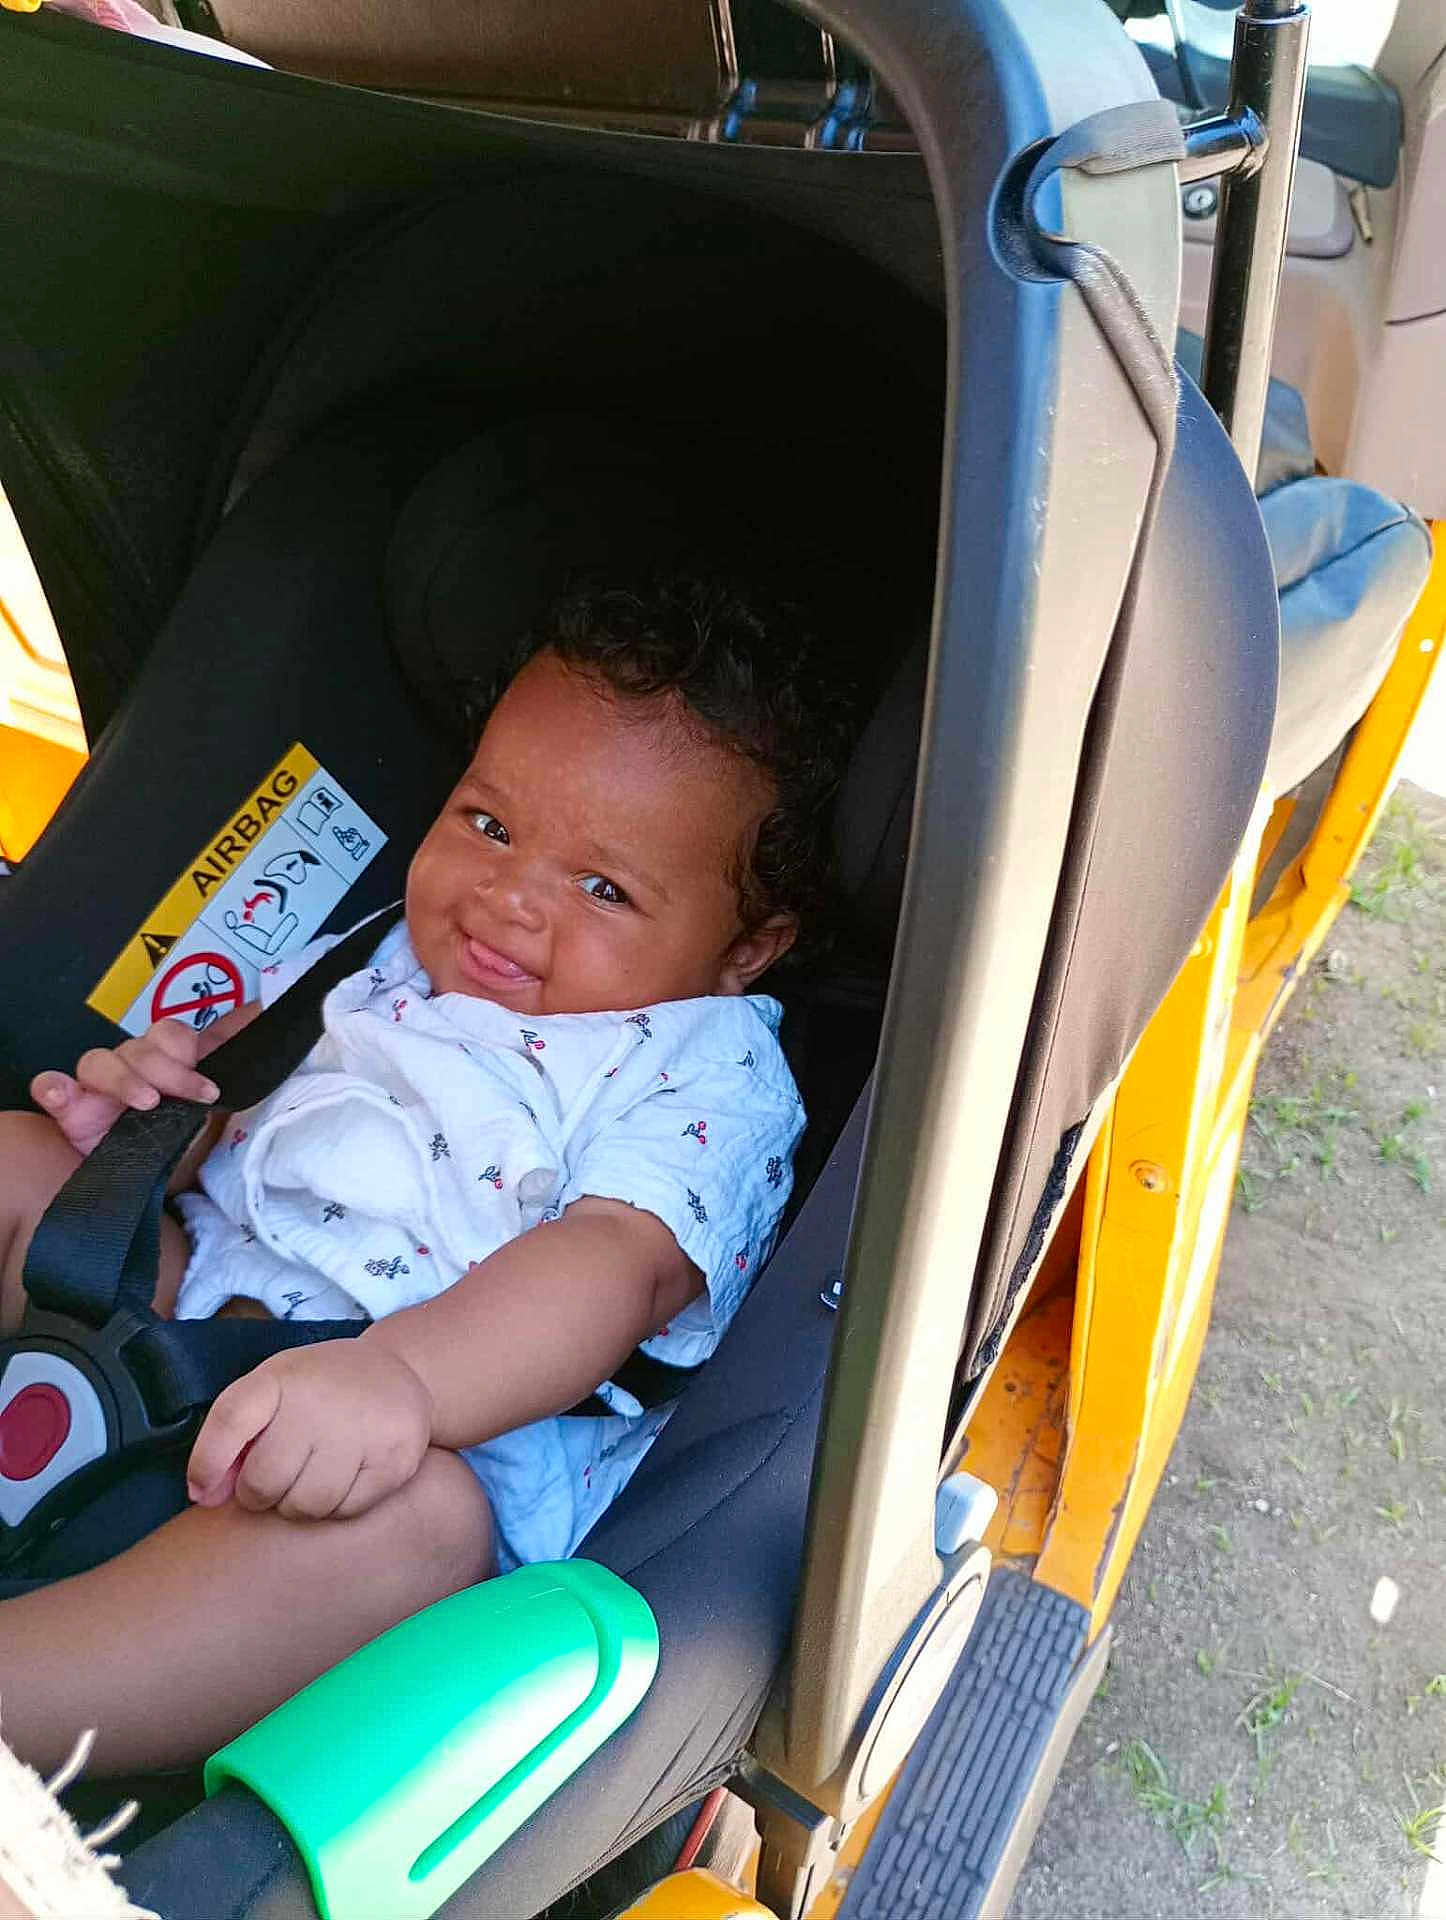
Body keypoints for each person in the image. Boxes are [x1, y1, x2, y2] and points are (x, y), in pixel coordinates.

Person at [0, 577, 845, 1776]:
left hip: (421, 1428)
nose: (508, 897)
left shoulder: (704, 1072)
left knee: (418, 1538)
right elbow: (245, 1089)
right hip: (190, 1292)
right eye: (490, 825)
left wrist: (397, 1382)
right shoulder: (393, 942)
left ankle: (24, 1693)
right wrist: (148, 1116)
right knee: (16, 1160)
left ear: (746, 949)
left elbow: (611, 1270)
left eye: (603, 888)